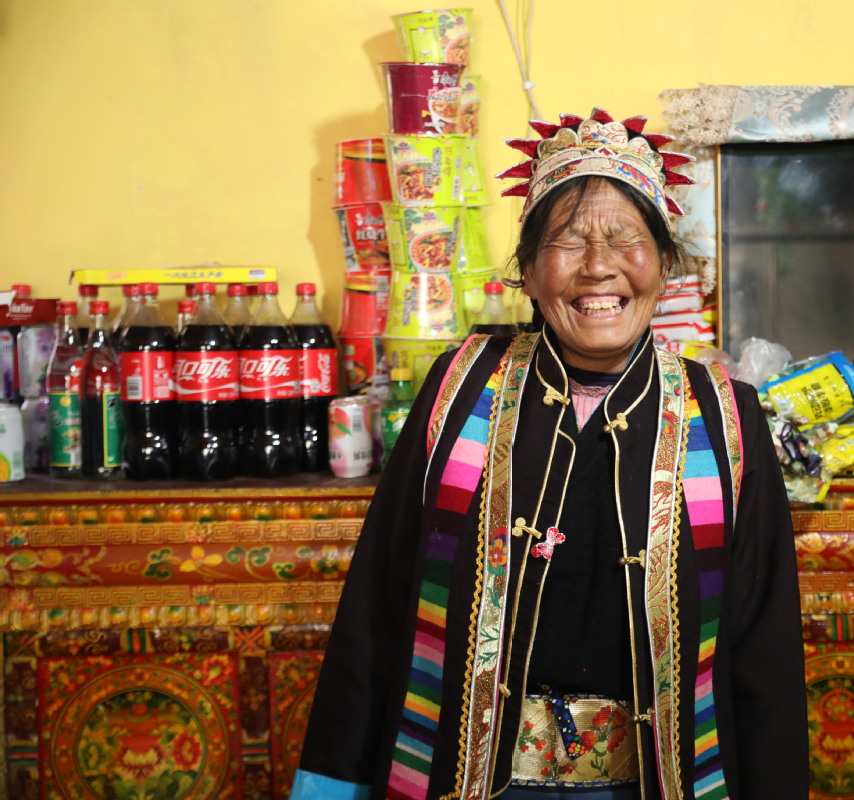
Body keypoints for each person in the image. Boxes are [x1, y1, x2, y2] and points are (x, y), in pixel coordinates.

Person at [293, 108, 809, 800]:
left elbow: (764, 651)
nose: (598, 266)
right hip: (470, 781)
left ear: (664, 266)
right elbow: (376, 611)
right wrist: (331, 788)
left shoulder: (722, 417)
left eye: (626, 239)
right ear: (530, 273)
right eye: (567, 241)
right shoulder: (459, 392)